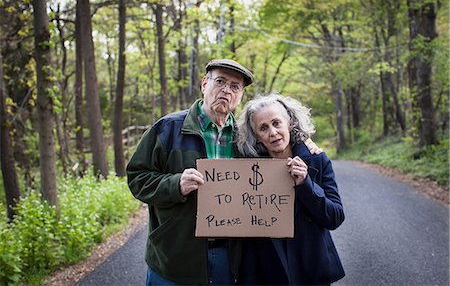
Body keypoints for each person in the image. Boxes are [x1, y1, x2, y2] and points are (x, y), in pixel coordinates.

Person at [126, 59, 255, 285]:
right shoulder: (167, 128)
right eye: (220, 81)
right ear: (204, 84)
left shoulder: (246, 139)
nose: (226, 90)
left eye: (235, 86)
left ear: (241, 95)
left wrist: (307, 147)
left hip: (229, 256)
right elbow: (137, 177)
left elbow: (279, 143)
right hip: (175, 255)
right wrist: (175, 185)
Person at [235, 93, 345, 285]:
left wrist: (306, 184)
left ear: (290, 124)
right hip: (268, 274)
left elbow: (334, 217)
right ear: (257, 137)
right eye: (263, 128)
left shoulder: (317, 159)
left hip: (312, 270)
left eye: (277, 123)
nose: (273, 132)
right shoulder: (249, 171)